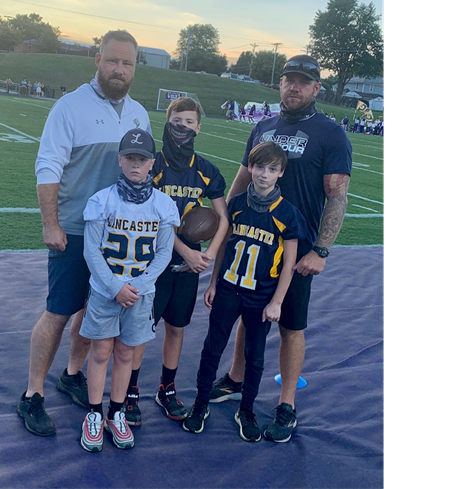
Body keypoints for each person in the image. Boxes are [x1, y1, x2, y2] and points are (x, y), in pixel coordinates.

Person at [206, 54, 352, 443]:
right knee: (244, 313)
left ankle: (286, 404)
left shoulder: (330, 133)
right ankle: (236, 378)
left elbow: (337, 196)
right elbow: (241, 177)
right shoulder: (263, 126)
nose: (294, 86)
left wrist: (320, 250)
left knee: (290, 326)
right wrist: (222, 222)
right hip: (251, 241)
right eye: (289, 79)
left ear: (316, 88)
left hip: (295, 251)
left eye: (303, 81)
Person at [19, 29, 152, 438]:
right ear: (97, 59)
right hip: (76, 229)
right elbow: (48, 168)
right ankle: (33, 394)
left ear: (134, 68)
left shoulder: (139, 114)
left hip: (117, 235)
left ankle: (72, 374)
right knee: (59, 310)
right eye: (112, 60)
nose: (119, 69)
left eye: (127, 63)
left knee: (91, 314)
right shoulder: (69, 107)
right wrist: (50, 223)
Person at [182, 141, 303, 441]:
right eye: (259, 167)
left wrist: (277, 302)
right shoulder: (235, 205)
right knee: (212, 349)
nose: (264, 174)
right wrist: (212, 282)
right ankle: (199, 405)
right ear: (250, 167)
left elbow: (289, 265)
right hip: (227, 290)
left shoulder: (286, 213)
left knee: (256, 357)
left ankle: (246, 409)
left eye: (272, 169)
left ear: (280, 173)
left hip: (259, 296)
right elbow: (222, 246)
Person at [125, 97, 229, 427]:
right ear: (166, 122)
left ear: (199, 127)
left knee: (176, 326)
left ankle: (166, 388)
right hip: (150, 259)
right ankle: (129, 390)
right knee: (142, 327)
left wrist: (208, 255)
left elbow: (223, 219)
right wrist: (187, 251)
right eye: (177, 120)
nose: (182, 127)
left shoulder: (207, 171)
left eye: (189, 122)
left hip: (188, 265)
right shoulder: (152, 164)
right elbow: (147, 219)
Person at [79, 128, 179, 452]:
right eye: (130, 158)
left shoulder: (164, 205)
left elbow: (164, 253)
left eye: (142, 159)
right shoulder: (102, 200)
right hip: (105, 290)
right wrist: (115, 286)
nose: (136, 165)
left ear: (152, 163)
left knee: (125, 353)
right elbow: (91, 251)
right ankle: (94, 413)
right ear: (120, 160)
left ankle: (116, 412)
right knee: (100, 352)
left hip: (139, 293)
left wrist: (135, 286)